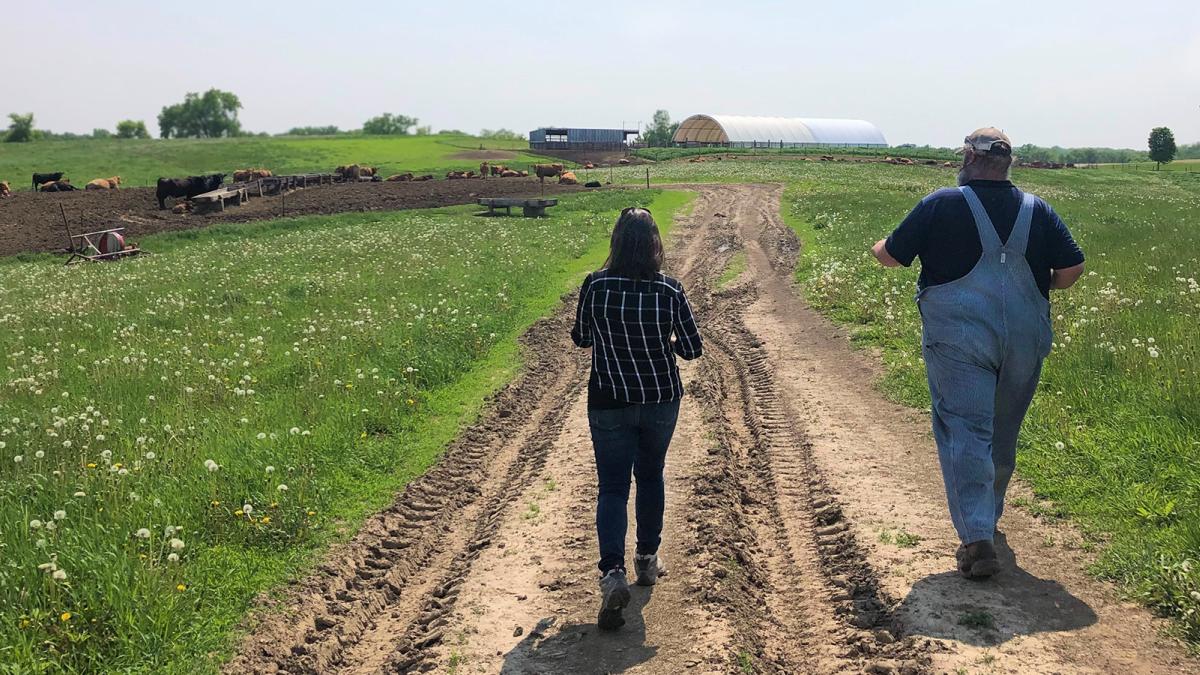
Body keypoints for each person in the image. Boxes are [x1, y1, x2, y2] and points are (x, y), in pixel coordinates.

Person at [871, 128, 1085, 579]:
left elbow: (890, 257)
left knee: (966, 430)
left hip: (960, 340)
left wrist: (879, 246)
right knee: (1003, 431)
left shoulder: (942, 203)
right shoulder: (1038, 209)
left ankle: (977, 538)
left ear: (970, 157)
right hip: (1025, 339)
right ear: (1008, 163)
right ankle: (988, 515)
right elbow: (1071, 270)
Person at [571, 206, 703, 629]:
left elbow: (581, 338)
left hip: (609, 398)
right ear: (653, 246)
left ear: (616, 242)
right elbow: (693, 349)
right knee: (650, 476)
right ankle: (647, 559)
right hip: (661, 398)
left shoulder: (595, 285)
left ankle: (612, 572)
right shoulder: (670, 290)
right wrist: (662, 345)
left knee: (612, 487)